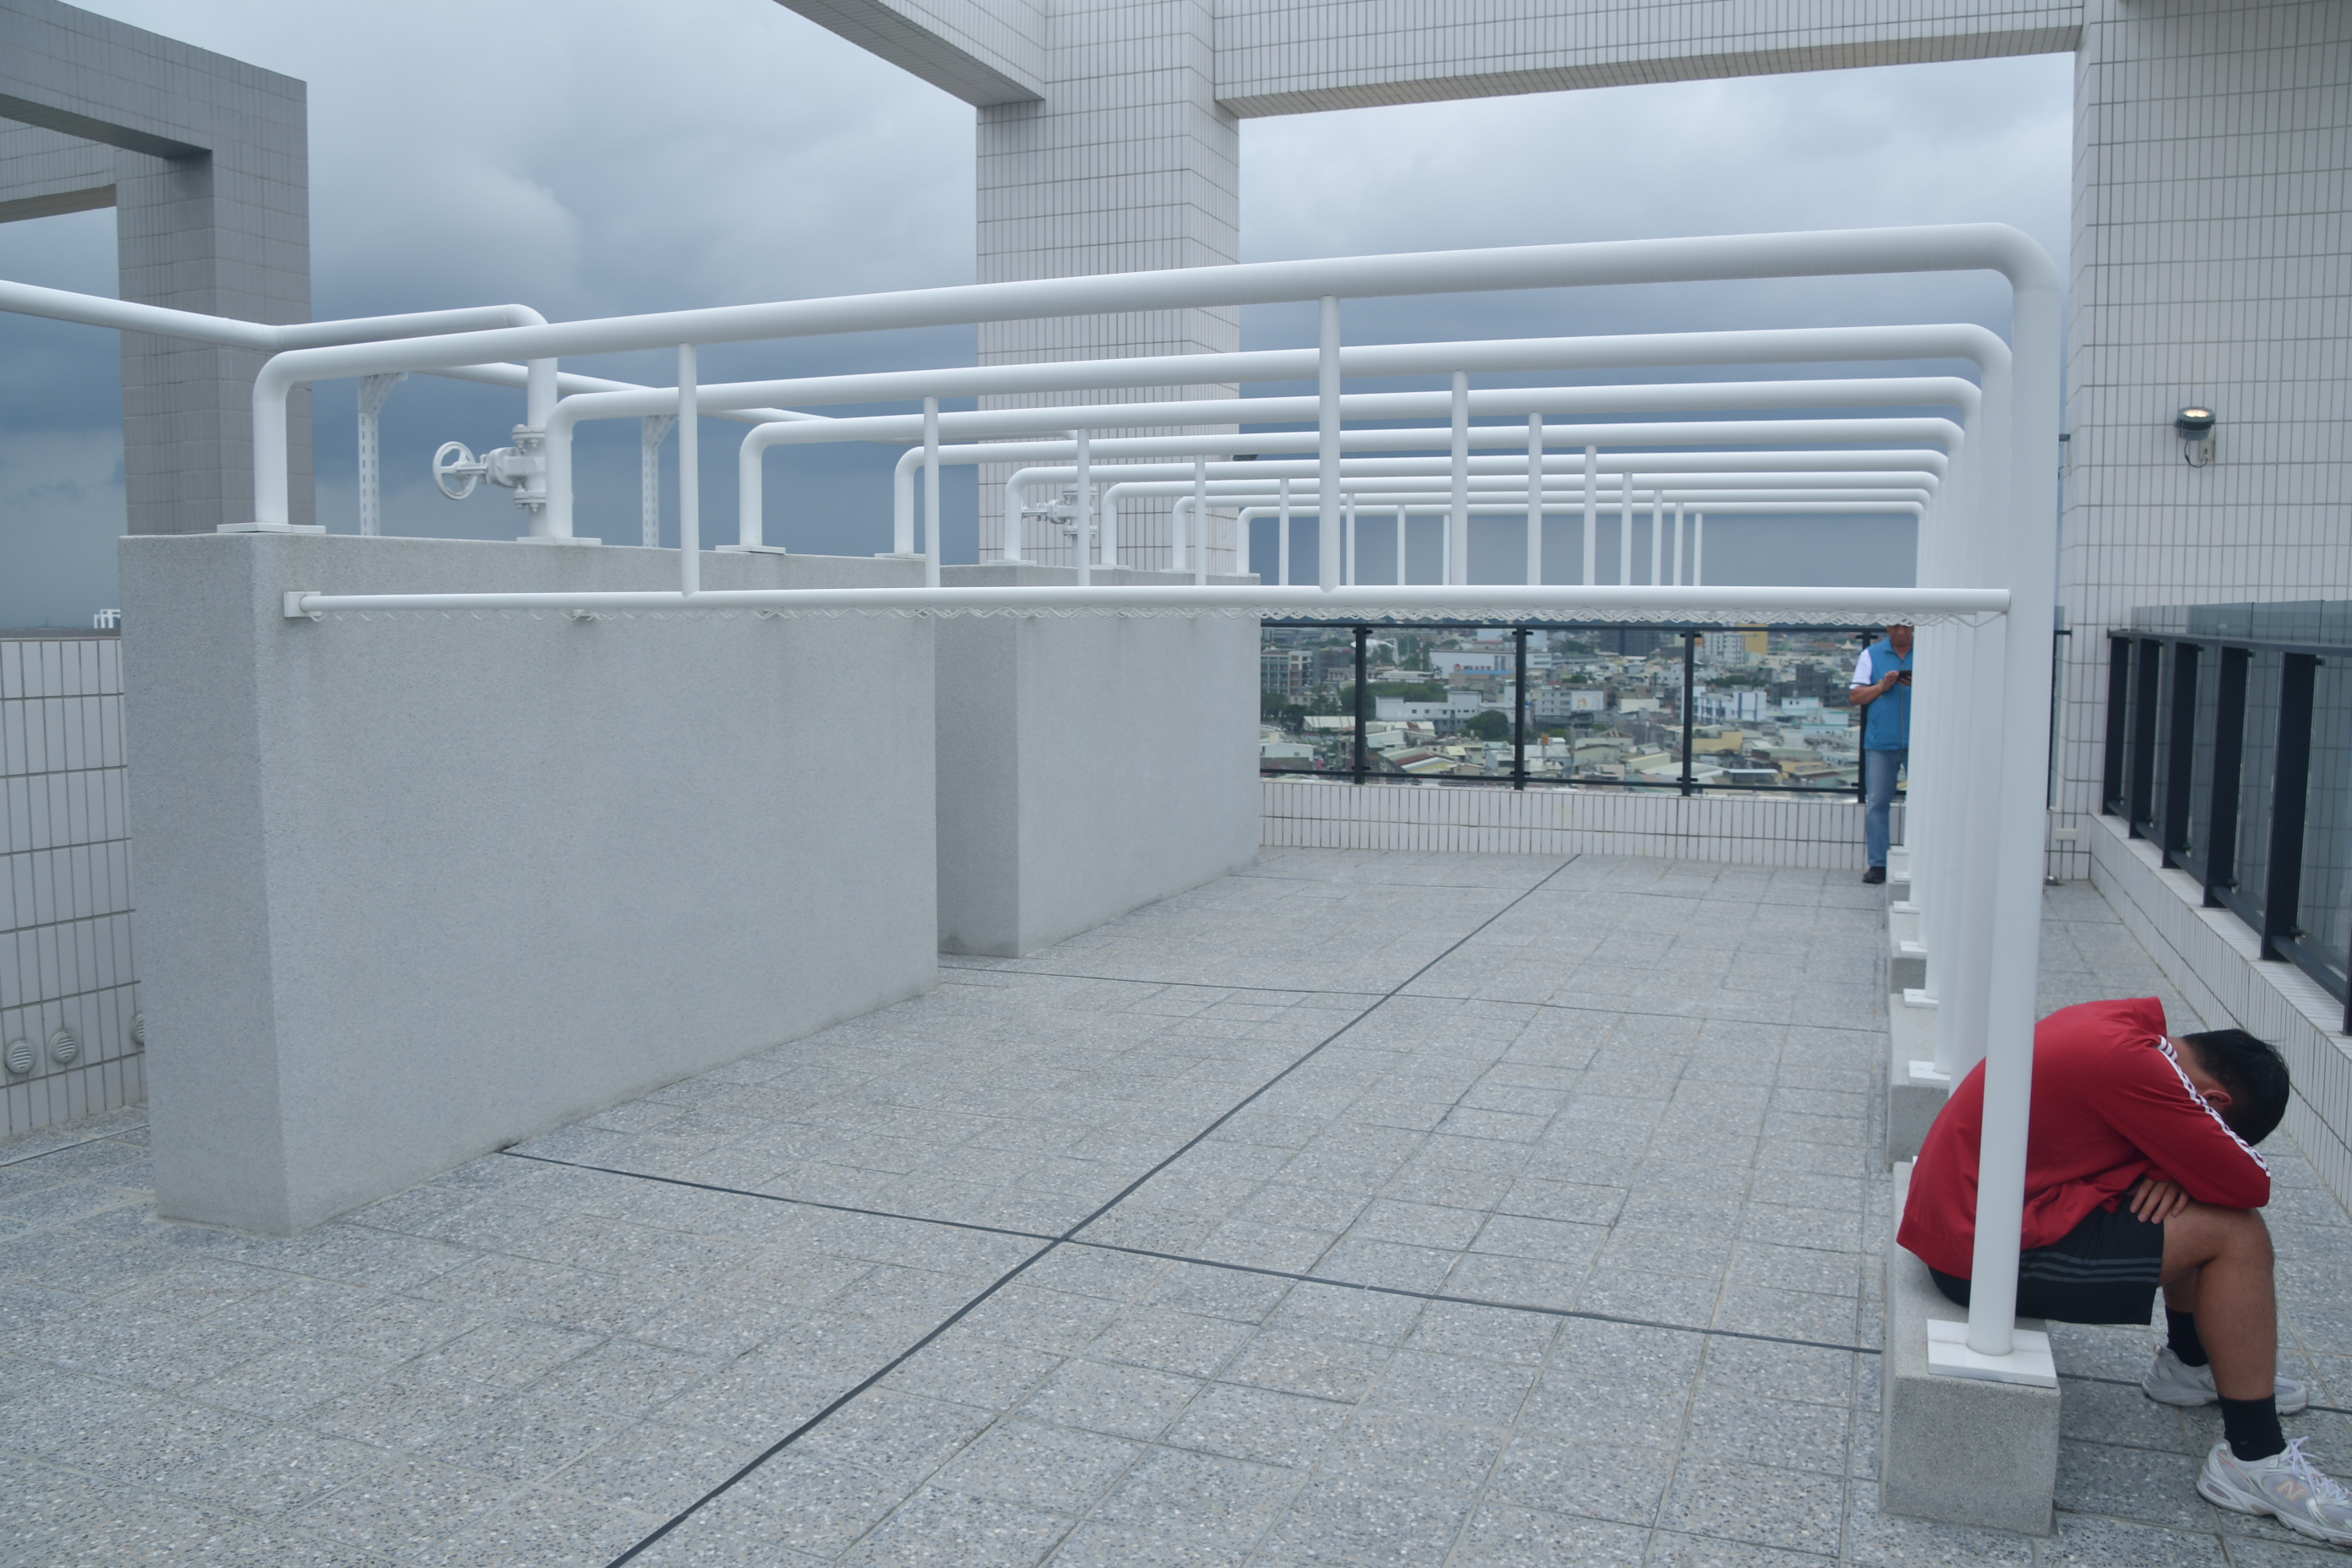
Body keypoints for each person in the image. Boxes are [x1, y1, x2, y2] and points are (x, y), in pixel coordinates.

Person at [1900, 999, 2352, 1546]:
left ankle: (2190, 1366)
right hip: (1976, 1253)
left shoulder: (2123, 1029)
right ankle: (2253, 1458)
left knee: (2198, 1197)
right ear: (2213, 1102)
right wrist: (2189, 1163)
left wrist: (2177, 1166)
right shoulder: (2136, 1068)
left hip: (1968, 1217)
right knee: (2237, 1233)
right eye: (2212, 1128)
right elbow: (2254, 1182)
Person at [1849, 623, 1913, 884]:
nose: (1900, 631)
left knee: (1926, 802)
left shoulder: (1930, 654)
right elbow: (1856, 696)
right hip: (1880, 741)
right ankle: (1878, 864)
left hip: (1920, 742)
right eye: (1895, 626)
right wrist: (1883, 686)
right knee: (1877, 803)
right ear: (1888, 627)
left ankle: (1920, 859)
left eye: (1905, 625)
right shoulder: (1871, 654)